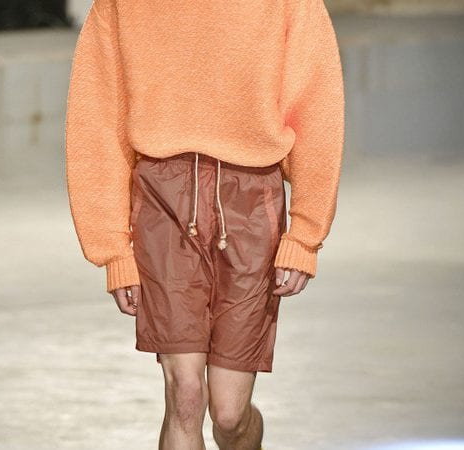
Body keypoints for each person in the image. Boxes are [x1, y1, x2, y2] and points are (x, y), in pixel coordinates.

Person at [65, 0, 344, 448]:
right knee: (186, 395)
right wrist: (112, 250)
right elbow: (97, 120)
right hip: (163, 197)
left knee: (230, 415)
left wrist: (305, 236)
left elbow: (316, 108)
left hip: (251, 201)